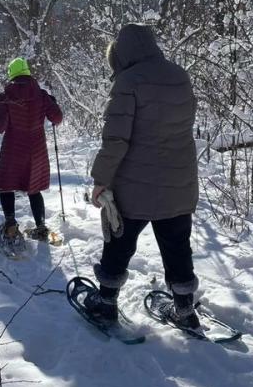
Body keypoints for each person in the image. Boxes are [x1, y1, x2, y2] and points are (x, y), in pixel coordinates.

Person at [85, 23, 200, 329]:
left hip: (134, 187)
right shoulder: (180, 75)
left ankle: (105, 304)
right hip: (178, 183)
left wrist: (101, 180)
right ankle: (185, 311)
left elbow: (115, 140)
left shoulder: (128, 82)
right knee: (177, 246)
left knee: (119, 243)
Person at [0, 57, 63, 242]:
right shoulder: (41, 95)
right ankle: (41, 227)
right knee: (34, 188)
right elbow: (57, 118)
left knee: (6, 186)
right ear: (28, 72)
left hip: (13, 149)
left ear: (11, 74)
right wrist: (53, 102)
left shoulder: (6, 96)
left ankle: (11, 225)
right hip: (36, 150)